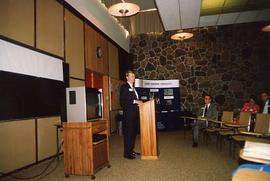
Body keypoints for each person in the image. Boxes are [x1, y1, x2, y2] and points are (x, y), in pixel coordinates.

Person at [120, 70, 142, 159]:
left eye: (134, 76)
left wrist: (139, 102)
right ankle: (127, 154)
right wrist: (135, 101)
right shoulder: (124, 87)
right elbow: (122, 101)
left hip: (135, 115)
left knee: (133, 134)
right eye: (131, 76)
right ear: (127, 77)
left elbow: (135, 99)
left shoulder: (133, 88)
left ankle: (131, 150)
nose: (133, 78)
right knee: (128, 134)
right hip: (129, 115)